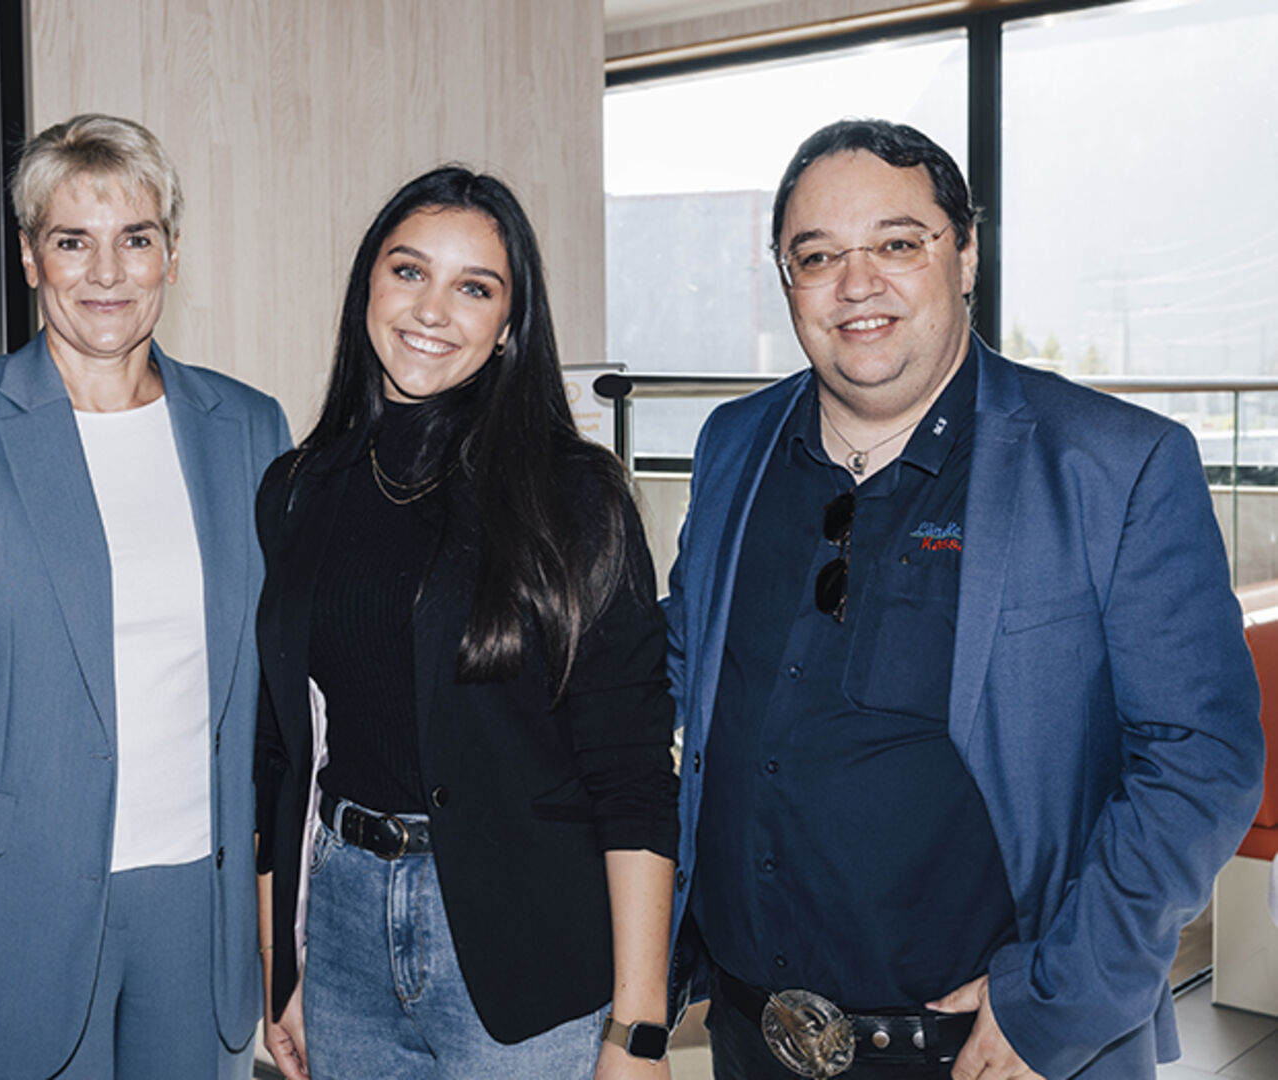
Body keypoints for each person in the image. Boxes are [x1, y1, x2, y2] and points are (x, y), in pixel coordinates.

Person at [664, 118, 1264, 1080]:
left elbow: (1203, 757)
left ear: (967, 253)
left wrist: (1057, 1001)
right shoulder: (733, 444)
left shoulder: (1112, 464)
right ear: (786, 281)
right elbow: (681, 668)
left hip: (987, 1052)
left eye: (897, 244)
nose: (857, 284)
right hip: (748, 1037)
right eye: (816, 256)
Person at [0, 113, 290, 1080]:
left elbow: (282, 700)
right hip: (5, 912)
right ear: (31, 257)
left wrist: (281, 934)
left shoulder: (247, 426)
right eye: (72, 240)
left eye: (136, 239)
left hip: (194, 916)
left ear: (170, 255)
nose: (106, 273)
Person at [253, 165, 680, 1080]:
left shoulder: (576, 498)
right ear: (368, 283)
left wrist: (638, 1031)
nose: (432, 309)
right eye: (409, 272)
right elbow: (279, 754)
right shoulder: (296, 490)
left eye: (473, 287)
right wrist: (278, 967)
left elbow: (634, 776)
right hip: (340, 934)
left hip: (524, 950)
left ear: (508, 325)